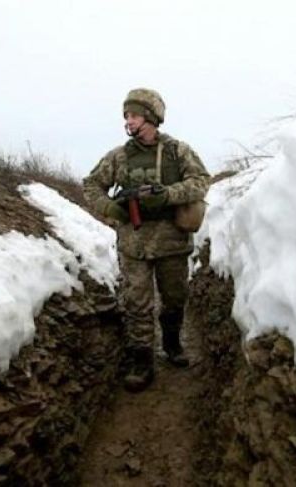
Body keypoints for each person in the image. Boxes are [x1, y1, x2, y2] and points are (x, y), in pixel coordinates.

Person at [83, 88, 210, 392]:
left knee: (175, 298)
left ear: (151, 117)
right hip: (134, 244)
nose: (129, 120)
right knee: (137, 304)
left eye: (135, 114)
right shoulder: (119, 157)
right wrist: (111, 208)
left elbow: (201, 181)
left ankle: (172, 344)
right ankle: (141, 360)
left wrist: (167, 195)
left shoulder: (177, 152)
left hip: (172, 243)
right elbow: (91, 186)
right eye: (126, 115)